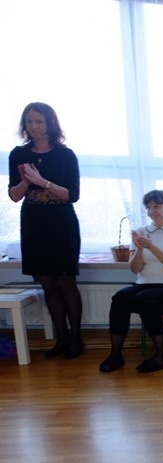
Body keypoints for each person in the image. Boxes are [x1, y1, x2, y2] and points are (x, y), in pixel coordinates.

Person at [7, 102, 84, 359]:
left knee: (65, 281)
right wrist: (25, 181)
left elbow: (72, 195)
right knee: (48, 283)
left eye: (39, 121)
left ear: (50, 123)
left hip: (61, 224)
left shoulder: (65, 155)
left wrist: (42, 181)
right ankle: (62, 338)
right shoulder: (18, 154)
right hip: (34, 223)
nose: (34, 126)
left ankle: (76, 339)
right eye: (29, 121)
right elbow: (14, 195)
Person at [99, 190, 163, 373]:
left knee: (145, 298)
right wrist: (140, 249)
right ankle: (115, 355)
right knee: (120, 297)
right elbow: (135, 269)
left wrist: (151, 246)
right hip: (145, 284)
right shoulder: (141, 233)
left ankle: (162, 356)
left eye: (156, 206)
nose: (152, 211)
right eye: (148, 207)